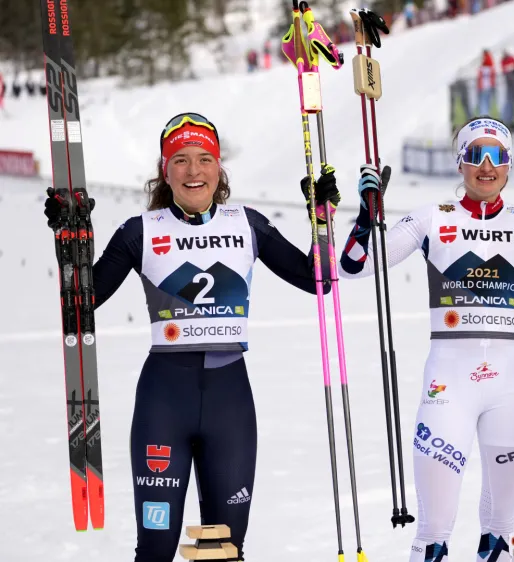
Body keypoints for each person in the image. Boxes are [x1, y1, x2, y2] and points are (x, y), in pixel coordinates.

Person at [42, 113, 341, 562]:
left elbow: (318, 280)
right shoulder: (140, 231)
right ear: (165, 171)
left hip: (230, 404)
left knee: (223, 550)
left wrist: (322, 218)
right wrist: (70, 239)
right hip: (165, 399)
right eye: (180, 160)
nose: (193, 170)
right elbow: (81, 306)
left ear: (219, 168)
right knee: (157, 549)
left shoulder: (248, 223)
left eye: (204, 159)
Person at [337, 116, 514, 562]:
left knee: (500, 534)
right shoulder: (432, 218)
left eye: (497, 156)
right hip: (449, 386)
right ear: (460, 163)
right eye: (475, 155)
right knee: (432, 537)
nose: (486, 167)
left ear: (508, 164)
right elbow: (356, 265)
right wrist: (366, 219)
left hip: (513, 386)